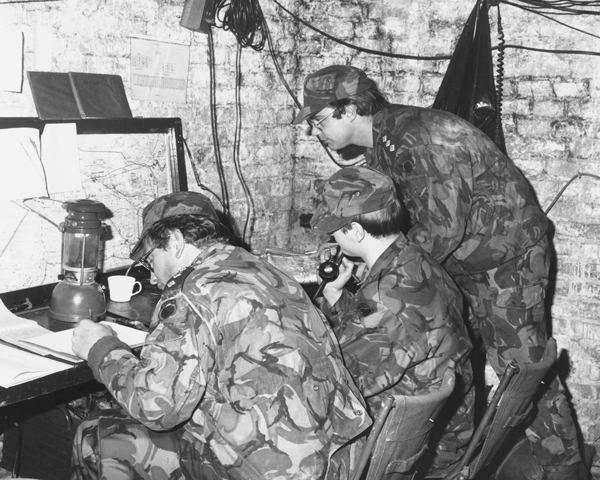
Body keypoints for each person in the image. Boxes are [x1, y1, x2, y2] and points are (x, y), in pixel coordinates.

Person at [293, 65, 583, 478]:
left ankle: (566, 468)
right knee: (449, 354)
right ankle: (458, 453)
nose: (314, 131)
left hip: (507, 263)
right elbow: (394, 224)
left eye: (319, 119)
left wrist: (378, 277)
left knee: (522, 366)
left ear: (351, 109)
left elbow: (441, 231)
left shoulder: (418, 139)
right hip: (465, 261)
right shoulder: (385, 144)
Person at [70, 191, 371, 480]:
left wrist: (101, 347)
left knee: (96, 433)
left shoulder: (192, 289)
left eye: (150, 259)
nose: (150, 275)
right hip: (341, 457)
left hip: (271, 470)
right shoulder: (266, 271)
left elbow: (156, 407)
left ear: (174, 241)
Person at [312, 165, 475, 477]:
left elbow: (341, 383)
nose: (331, 236)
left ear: (356, 231)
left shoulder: (384, 297)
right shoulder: (416, 258)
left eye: (334, 229)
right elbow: (383, 336)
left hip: (415, 449)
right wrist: (336, 295)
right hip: (447, 425)